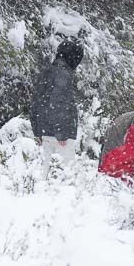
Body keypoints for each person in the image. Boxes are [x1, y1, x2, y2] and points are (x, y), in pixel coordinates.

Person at [30, 38, 83, 171]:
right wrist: (61, 132)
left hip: (45, 132)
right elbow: (58, 103)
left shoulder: (45, 72)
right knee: (65, 173)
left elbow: (36, 102)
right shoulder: (63, 74)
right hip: (61, 136)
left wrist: (37, 130)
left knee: (47, 172)